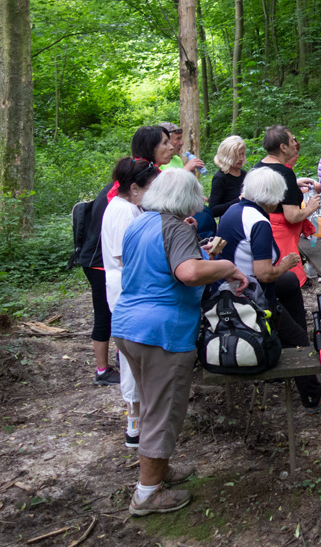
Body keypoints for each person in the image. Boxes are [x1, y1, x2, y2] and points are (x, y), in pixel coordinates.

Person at [111, 169, 248, 517]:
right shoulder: (175, 226)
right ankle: (147, 493)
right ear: (186, 197)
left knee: (151, 404)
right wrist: (225, 265)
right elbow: (187, 273)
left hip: (128, 326)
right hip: (163, 332)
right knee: (163, 411)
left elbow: (150, 265)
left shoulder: (140, 223)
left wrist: (195, 252)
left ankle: (157, 472)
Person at [216, 168, 321, 413]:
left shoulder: (234, 211)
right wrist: (285, 264)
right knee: (298, 339)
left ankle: (292, 321)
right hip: (249, 300)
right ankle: (314, 397)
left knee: (288, 282)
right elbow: (264, 273)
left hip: (230, 287)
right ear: (271, 196)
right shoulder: (259, 222)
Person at [83, 125, 174, 386]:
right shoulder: (126, 198)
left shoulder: (141, 176)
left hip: (112, 261)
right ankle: (108, 370)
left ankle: (128, 367)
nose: (171, 147)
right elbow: (125, 244)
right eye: (165, 143)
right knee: (109, 316)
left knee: (119, 319)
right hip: (104, 262)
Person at [101, 157, 161, 448]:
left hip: (129, 289)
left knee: (132, 355)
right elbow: (126, 256)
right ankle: (135, 423)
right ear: (135, 188)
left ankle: (138, 421)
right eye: (151, 187)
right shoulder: (124, 212)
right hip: (127, 290)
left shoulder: (128, 207)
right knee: (130, 357)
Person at [258, 126, 320, 288]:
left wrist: (294, 183)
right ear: (283, 147)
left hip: (262, 234)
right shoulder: (284, 173)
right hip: (281, 240)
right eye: (292, 140)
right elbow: (291, 215)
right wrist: (311, 207)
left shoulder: (259, 167)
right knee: (287, 285)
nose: (295, 143)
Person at [209, 135, 247, 219]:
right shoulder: (220, 178)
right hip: (230, 223)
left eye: (242, 154)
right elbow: (213, 210)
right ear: (227, 156)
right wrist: (238, 200)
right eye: (237, 155)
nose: (241, 158)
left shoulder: (245, 175)